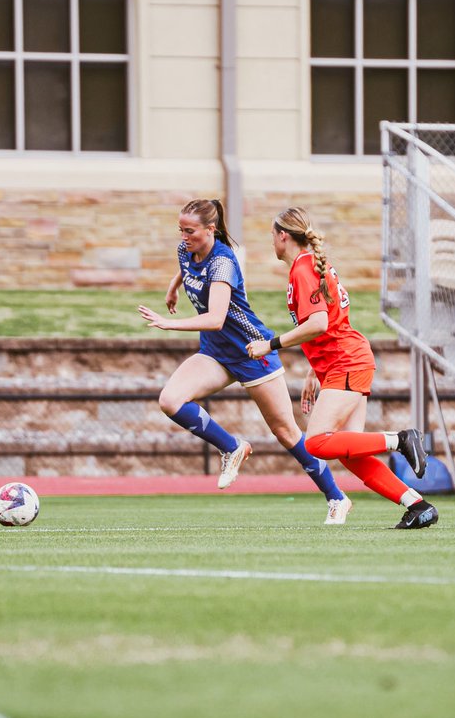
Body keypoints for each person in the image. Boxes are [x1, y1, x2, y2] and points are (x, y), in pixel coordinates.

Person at [138, 198, 352, 524]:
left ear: (211, 230)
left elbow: (215, 318)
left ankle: (336, 497)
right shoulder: (186, 250)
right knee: (170, 400)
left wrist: (170, 323)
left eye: (190, 231)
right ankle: (232, 447)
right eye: (181, 230)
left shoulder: (224, 261)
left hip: (252, 350)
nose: (184, 236)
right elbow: (187, 267)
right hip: (216, 353)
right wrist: (173, 287)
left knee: (286, 432)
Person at [246, 207, 438, 530]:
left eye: (271, 235)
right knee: (350, 452)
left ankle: (401, 439)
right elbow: (330, 322)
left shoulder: (302, 269)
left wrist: (271, 344)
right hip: (346, 361)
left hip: (347, 362)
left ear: (283, 236)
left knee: (316, 442)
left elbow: (319, 322)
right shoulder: (310, 266)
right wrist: (312, 370)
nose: (271, 242)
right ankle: (416, 505)